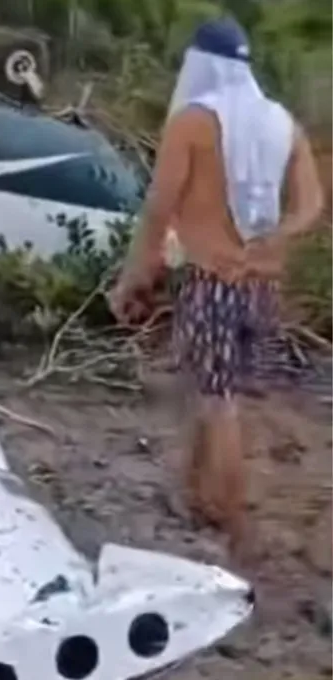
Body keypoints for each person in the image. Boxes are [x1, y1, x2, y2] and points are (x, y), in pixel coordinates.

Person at [109, 18, 324, 560]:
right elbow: (311, 205)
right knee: (226, 400)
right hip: (259, 290)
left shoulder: (194, 122)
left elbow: (159, 209)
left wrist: (135, 275)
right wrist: (278, 234)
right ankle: (199, 496)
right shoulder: (283, 123)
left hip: (211, 282)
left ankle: (230, 525)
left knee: (215, 401)